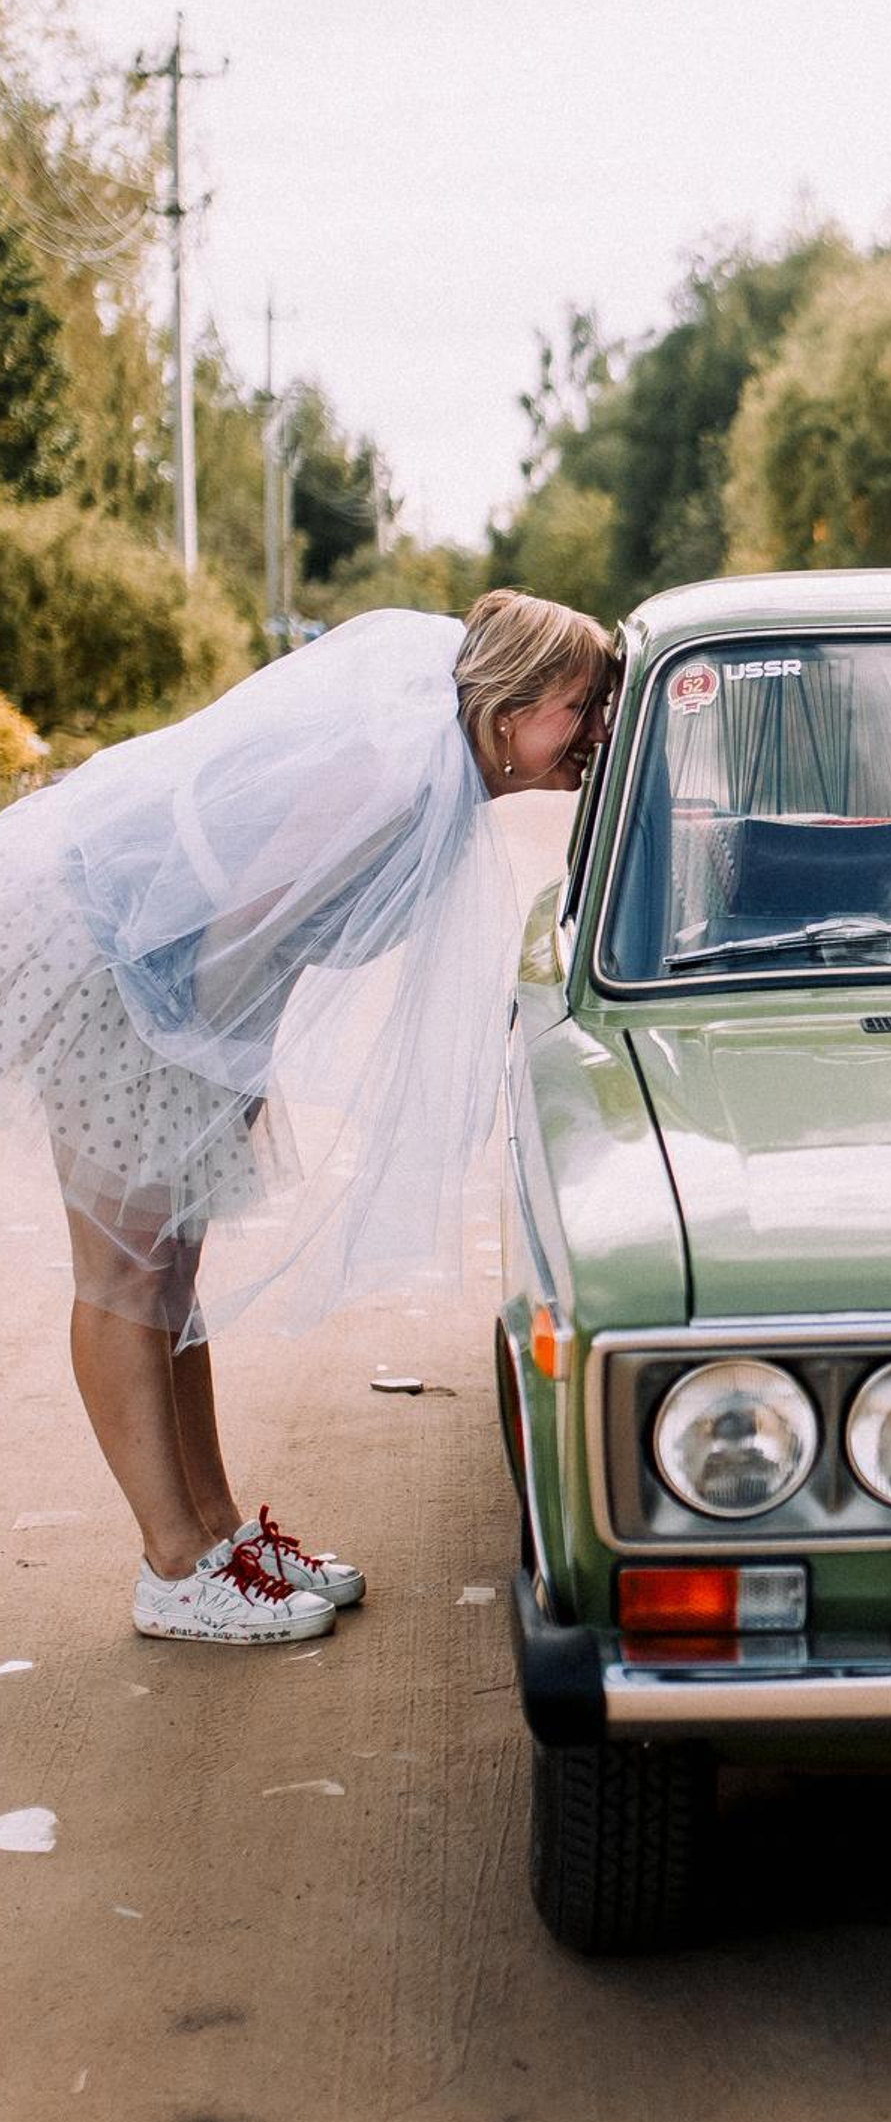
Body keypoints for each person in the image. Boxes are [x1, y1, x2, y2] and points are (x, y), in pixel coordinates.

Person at [0, 589, 611, 1645]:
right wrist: (214, 1074)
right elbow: (241, 923)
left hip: (179, 976)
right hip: (113, 957)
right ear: (510, 706)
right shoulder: (392, 776)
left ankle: (218, 1532)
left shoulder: (437, 759)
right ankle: (173, 1565)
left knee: (172, 1268)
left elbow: (270, 933)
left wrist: (224, 1078)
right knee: (128, 1268)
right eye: (579, 706)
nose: (595, 734)